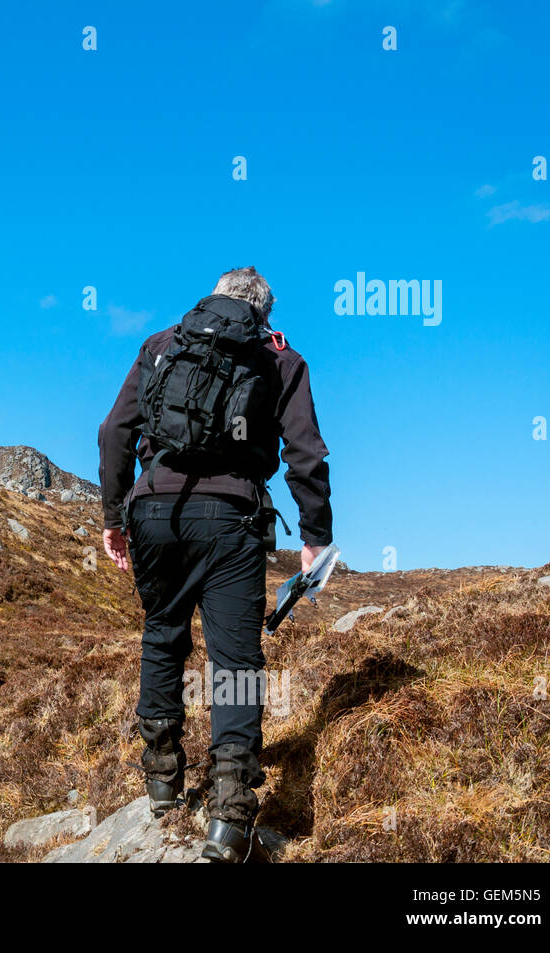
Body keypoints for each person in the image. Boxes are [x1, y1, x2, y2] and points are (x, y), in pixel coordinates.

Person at [97, 266, 333, 862]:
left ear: (215, 297)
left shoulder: (162, 344)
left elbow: (113, 433)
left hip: (155, 511)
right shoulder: (281, 358)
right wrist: (315, 537)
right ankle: (228, 817)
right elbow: (305, 452)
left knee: (162, 635)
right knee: (236, 661)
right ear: (266, 312)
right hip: (232, 516)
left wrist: (114, 517)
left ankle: (162, 781)